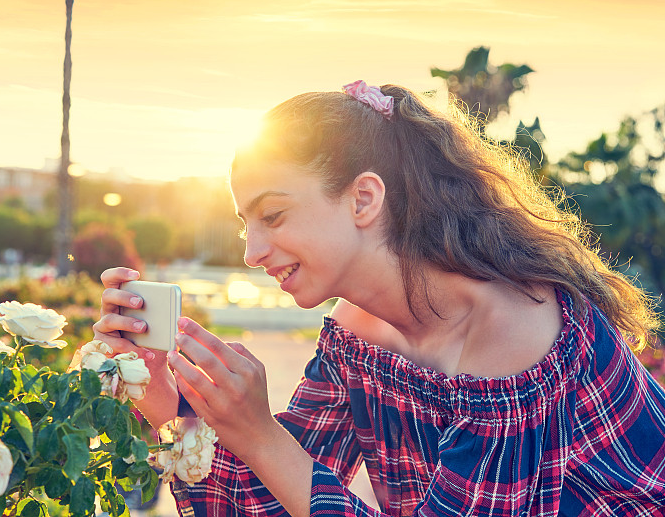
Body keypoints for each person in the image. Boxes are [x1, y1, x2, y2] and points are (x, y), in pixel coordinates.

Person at [92, 80, 665, 516]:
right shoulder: (358, 330)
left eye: (273, 215)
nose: (253, 251)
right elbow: (275, 495)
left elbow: (279, 459)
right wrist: (165, 399)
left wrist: (261, 433)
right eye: (246, 225)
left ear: (364, 199)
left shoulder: (512, 331)